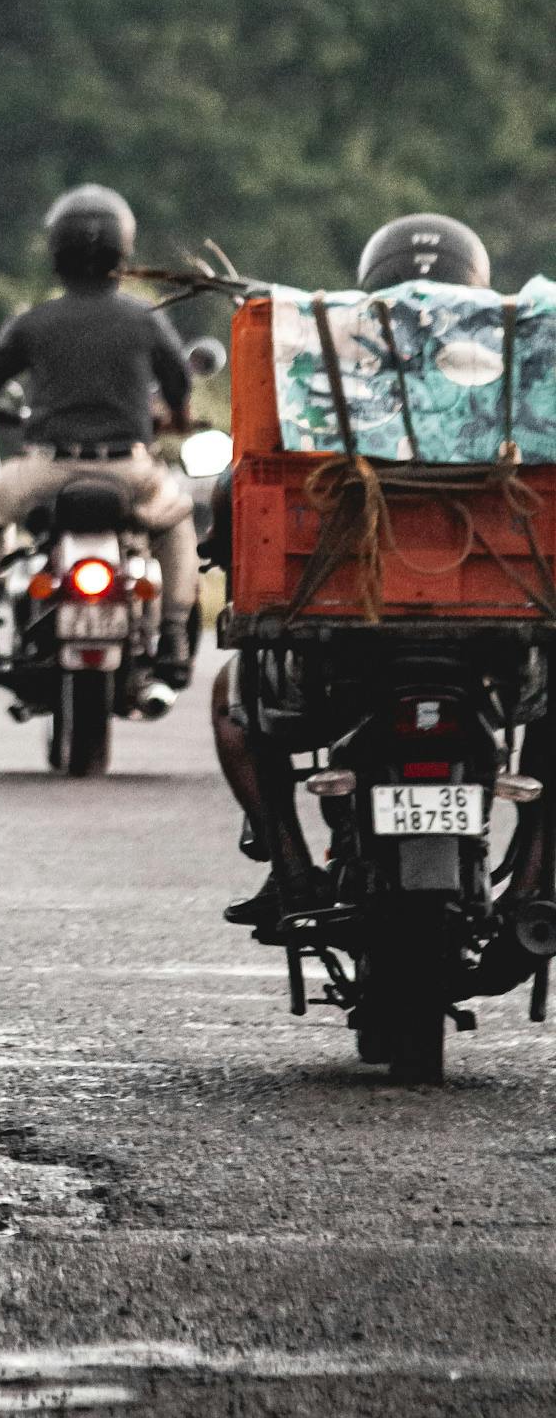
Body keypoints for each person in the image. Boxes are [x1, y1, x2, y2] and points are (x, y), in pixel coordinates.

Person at [216, 212, 492, 940]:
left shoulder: (335, 358)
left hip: (345, 633)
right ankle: (536, 883)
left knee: (234, 700)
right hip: (494, 636)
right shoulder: (508, 370)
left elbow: (246, 484)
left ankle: (292, 868)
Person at [0, 186, 198, 689]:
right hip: (129, 472)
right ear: (122, 252)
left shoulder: (34, 321)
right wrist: (178, 415)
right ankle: (173, 633)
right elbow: (178, 378)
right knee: (176, 522)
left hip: (48, 471)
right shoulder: (144, 318)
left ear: (56, 251)